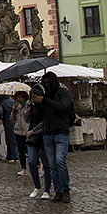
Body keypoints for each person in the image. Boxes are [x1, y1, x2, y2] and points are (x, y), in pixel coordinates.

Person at [39, 71, 74, 203]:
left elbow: (62, 107)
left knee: (60, 161)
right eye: (45, 83)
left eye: (49, 83)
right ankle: (58, 191)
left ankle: (65, 190)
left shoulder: (64, 93)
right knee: (52, 165)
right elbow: (41, 114)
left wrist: (45, 100)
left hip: (61, 131)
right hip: (47, 132)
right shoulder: (45, 94)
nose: (47, 85)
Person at [23, 85, 51, 199]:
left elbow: (45, 122)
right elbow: (26, 119)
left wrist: (33, 131)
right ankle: (37, 186)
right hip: (32, 138)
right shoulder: (31, 105)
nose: (33, 98)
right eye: (32, 96)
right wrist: (28, 110)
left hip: (42, 136)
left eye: (35, 96)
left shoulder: (46, 106)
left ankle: (47, 189)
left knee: (46, 164)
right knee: (31, 161)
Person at [0, 88, 19, 164]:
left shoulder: (2, 103)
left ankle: (14, 156)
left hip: (8, 121)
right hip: (15, 121)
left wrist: (0, 117)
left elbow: (0, 112)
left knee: (9, 139)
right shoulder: (12, 101)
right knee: (13, 138)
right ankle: (10, 155)